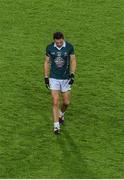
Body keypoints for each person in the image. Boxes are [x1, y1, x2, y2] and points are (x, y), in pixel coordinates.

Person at [44, 32, 77, 134]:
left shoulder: (69, 47)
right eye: (57, 42)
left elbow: (73, 61)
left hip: (65, 78)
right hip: (54, 78)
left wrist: (72, 74)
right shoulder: (50, 48)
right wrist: (46, 77)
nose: (58, 44)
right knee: (55, 101)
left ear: (63, 39)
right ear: (54, 40)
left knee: (66, 102)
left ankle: (61, 113)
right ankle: (56, 126)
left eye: (60, 42)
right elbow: (46, 62)